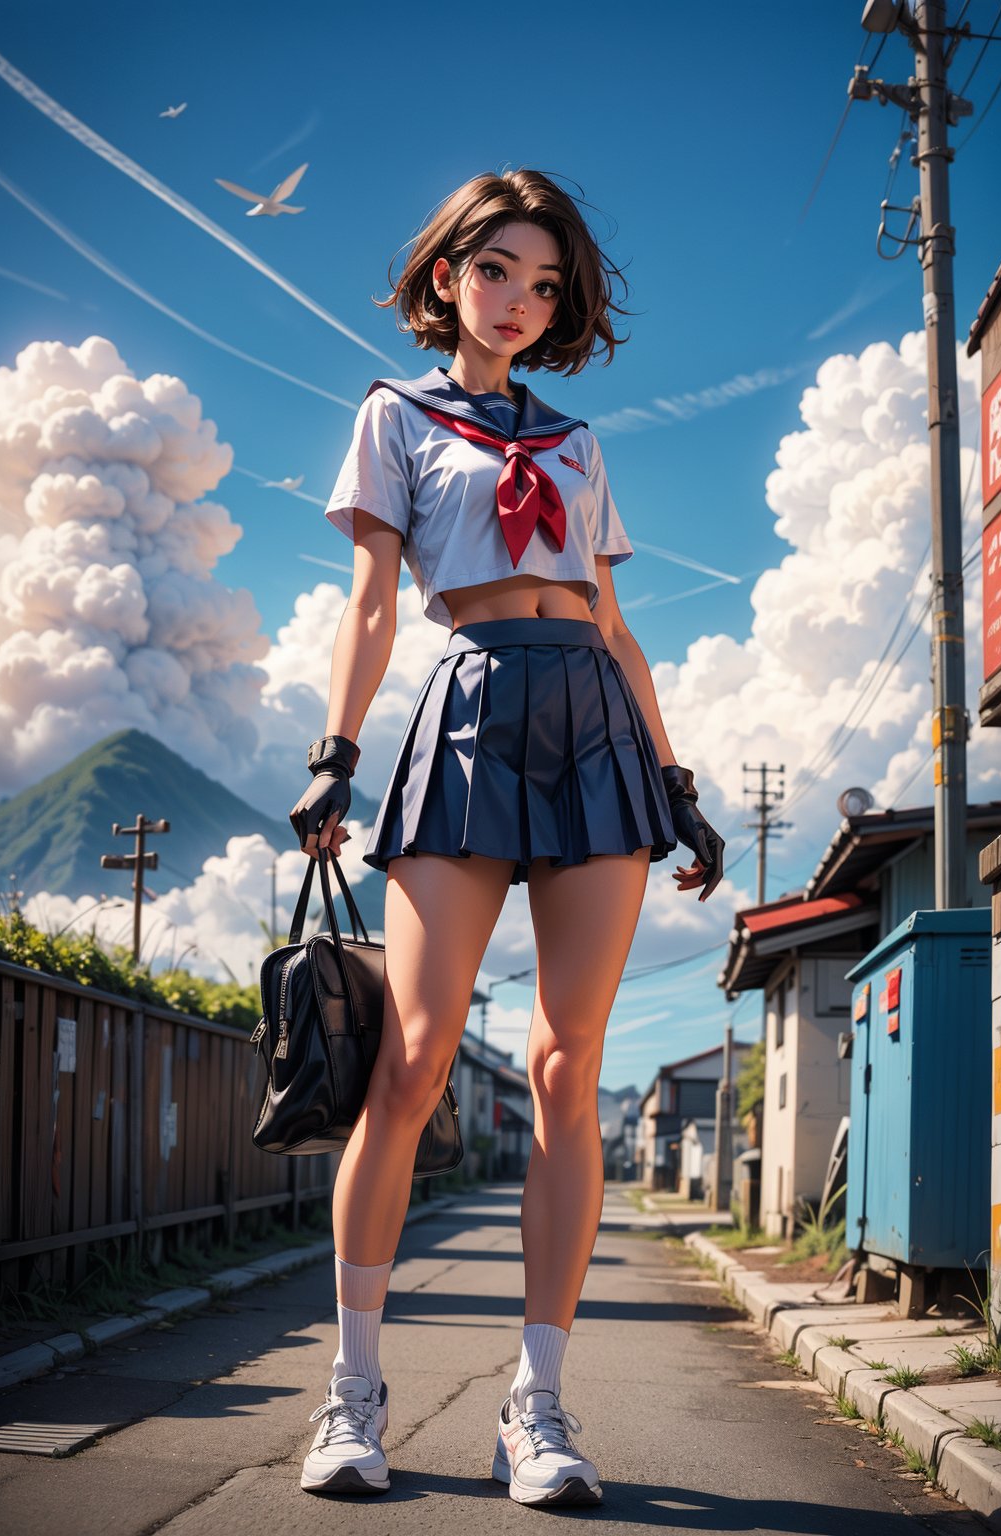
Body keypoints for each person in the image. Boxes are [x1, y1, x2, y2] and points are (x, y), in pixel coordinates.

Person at [288, 167, 725, 1507]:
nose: (521, 301)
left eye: (547, 283)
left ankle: (536, 1409)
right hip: (468, 704)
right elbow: (371, 603)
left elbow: (612, 619)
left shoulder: (580, 443)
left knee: (567, 1064)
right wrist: (336, 753)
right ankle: (352, 1396)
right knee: (412, 1062)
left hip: (593, 718)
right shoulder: (395, 416)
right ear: (445, 278)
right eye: (498, 273)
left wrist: (677, 776)